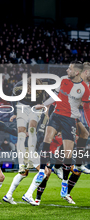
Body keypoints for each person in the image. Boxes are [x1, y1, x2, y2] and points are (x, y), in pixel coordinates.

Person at [34, 61, 90, 198]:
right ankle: (43, 170)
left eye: (69, 69)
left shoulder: (84, 88)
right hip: (58, 115)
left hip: (70, 119)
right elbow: (55, 95)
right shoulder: (65, 80)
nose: (66, 70)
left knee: (70, 149)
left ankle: (65, 179)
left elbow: (86, 107)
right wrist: (43, 105)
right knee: (48, 140)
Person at [2, 77, 44, 205]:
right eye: (29, 89)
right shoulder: (19, 89)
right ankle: (28, 195)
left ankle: (8, 195)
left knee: (24, 173)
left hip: (29, 148)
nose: (30, 91)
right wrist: (15, 113)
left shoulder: (39, 95)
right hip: (29, 151)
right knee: (44, 171)